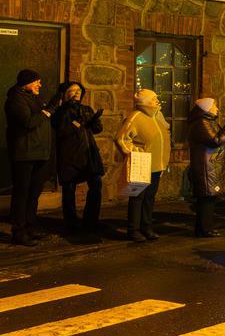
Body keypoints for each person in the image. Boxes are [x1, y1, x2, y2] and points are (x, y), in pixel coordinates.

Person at [5, 70, 57, 246]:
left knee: (33, 194)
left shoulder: (33, 98)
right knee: (22, 194)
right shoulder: (16, 100)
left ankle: (29, 227)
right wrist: (48, 110)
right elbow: (28, 122)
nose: (39, 85)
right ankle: (18, 231)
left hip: (39, 153)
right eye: (36, 81)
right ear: (26, 82)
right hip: (24, 154)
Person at [116, 89, 171, 242]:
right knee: (138, 198)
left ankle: (146, 227)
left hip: (156, 165)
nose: (157, 101)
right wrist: (134, 151)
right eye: (154, 99)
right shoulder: (136, 117)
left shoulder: (156, 116)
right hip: (142, 163)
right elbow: (121, 139)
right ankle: (133, 229)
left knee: (149, 198)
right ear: (145, 102)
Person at [52, 81, 105, 235]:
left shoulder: (86, 109)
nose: (76, 93)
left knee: (96, 184)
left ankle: (91, 220)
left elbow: (97, 129)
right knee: (69, 190)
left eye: (78, 90)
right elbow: (62, 131)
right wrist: (78, 122)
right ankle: (72, 223)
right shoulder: (60, 112)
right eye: (72, 90)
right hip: (69, 154)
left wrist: (95, 120)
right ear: (65, 93)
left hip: (88, 154)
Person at [187, 98, 225, 238]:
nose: (217, 109)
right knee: (206, 200)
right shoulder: (201, 123)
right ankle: (204, 229)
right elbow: (216, 140)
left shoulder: (208, 121)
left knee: (209, 199)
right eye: (214, 106)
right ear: (206, 108)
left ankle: (205, 228)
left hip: (210, 166)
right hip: (205, 168)